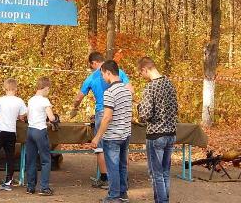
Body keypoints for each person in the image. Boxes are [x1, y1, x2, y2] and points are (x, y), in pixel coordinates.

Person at [70, 52, 133, 188]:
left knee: (101, 148)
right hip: (120, 112)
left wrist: (74, 108)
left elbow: (78, 98)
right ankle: (123, 179)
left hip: (102, 112)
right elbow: (130, 91)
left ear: (93, 63)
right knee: (122, 147)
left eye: (91, 66)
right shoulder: (119, 72)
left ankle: (105, 178)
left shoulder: (91, 77)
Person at [138, 57, 178, 203]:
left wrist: (138, 107)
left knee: (156, 174)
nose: (142, 76)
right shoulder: (170, 84)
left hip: (156, 135)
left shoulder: (150, 87)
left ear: (145, 69)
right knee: (165, 173)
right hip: (171, 133)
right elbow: (175, 109)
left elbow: (145, 115)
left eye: (141, 73)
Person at [91, 60, 132, 203]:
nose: (102, 77)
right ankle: (123, 194)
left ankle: (113, 196)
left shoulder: (109, 92)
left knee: (112, 167)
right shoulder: (128, 90)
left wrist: (97, 137)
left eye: (102, 74)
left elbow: (107, 117)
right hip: (125, 134)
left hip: (112, 136)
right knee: (122, 165)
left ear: (108, 72)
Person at [0, 78, 27, 191]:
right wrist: (19, 117)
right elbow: (22, 116)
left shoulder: (1, 100)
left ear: (4, 88)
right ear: (16, 88)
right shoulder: (19, 101)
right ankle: (8, 182)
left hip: (0, 130)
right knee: (10, 157)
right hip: (11, 132)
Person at [25, 76, 56, 196]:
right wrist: (53, 120)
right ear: (46, 88)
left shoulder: (31, 99)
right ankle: (44, 187)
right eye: (49, 90)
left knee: (31, 160)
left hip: (30, 130)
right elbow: (51, 117)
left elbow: (28, 116)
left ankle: (30, 187)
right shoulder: (45, 100)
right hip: (40, 131)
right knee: (45, 160)